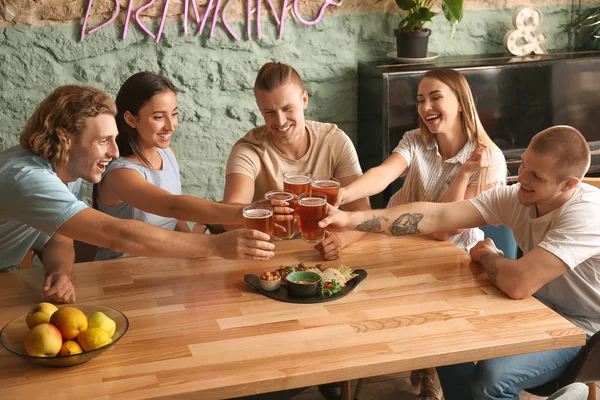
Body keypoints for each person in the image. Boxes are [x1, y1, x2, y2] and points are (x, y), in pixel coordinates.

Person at [320, 126, 599, 400]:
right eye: (524, 164)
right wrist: (348, 220)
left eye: (536, 176)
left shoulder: (585, 215)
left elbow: (518, 284)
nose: (522, 178)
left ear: (569, 184)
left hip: (585, 330)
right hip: (538, 310)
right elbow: (437, 217)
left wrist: (489, 255)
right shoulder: (518, 197)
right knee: (443, 335)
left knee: (492, 380)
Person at [0, 85, 275, 303]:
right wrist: (216, 246)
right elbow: (118, 234)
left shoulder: (65, 168)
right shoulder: (27, 178)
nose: (115, 152)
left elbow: (58, 240)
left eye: (113, 139)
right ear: (65, 138)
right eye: (103, 141)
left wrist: (60, 272)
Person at [335, 68, 506, 399]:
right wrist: (344, 195)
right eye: (420, 100)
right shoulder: (415, 140)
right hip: (398, 243)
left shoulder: (490, 158)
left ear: (461, 103)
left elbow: (447, 227)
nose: (425, 106)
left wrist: (465, 171)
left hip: (452, 257)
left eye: (436, 97)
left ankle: (431, 366)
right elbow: (382, 175)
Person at [94, 72, 288, 260]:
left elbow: (175, 219)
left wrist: (195, 248)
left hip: (162, 265)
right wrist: (245, 212)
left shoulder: (168, 155)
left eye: (174, 114)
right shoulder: (120, 174)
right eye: (159, 117)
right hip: (119, 273)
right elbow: (172, 206)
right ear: (130, 119)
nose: (171, 126)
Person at [223, 61, 370, 262]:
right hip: (267, 257)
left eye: (287, 108)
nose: (280, 121)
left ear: (304, 99)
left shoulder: (334, 140)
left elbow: (363, 214)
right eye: (270, 112)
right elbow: (229, 219)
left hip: (319, 257)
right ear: (259, 108)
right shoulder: (248, 150)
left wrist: (341, 240)